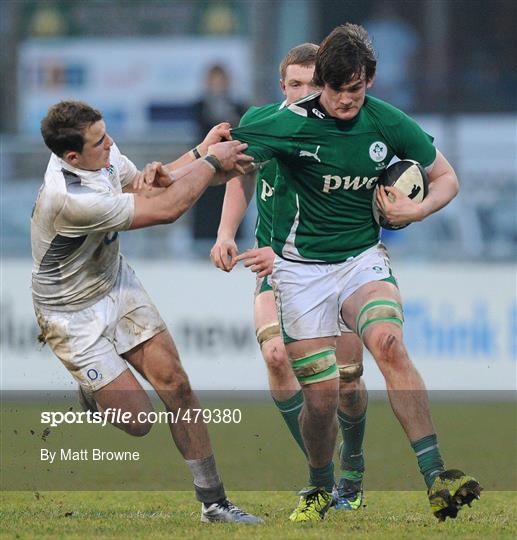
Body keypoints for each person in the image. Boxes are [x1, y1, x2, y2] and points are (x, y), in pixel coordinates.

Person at [231, 24, 481, 522]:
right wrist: (182, 170)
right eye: (338, 88)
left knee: (388, 343)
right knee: (321, 401)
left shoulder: (386, 121)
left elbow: (447, 177)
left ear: (369, 81)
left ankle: (436, 477)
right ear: (321, 81)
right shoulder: (284, 123)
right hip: (299, 272)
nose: (348, 99)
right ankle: (321, 484)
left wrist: (418, 210)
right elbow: (227, 163)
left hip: (361, 258)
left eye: (358, 88)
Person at [32, 100, 262, 524]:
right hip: (69, 313)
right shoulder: (68, 198)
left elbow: (145, 189)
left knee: (177, 384)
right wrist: (211, 162)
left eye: (106, 133)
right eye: (99, 142)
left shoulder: (98, 156)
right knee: (139, 421)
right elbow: (167, 209)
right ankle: (94, 394)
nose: (111, 144)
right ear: (71, 157)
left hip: (114, 283)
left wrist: (197, 155)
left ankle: (215, 503)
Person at [210, 43, 367, 516]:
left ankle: (353, 466)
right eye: (295, 84)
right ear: (283, 87)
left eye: (312, 85)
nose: (303, 92)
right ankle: (325, 475)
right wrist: (225, 232)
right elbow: (239, 175)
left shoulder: (339, 132)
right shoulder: (268, 123)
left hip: (332, 267)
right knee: (276, 355)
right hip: (273, 267)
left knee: (348, 380)